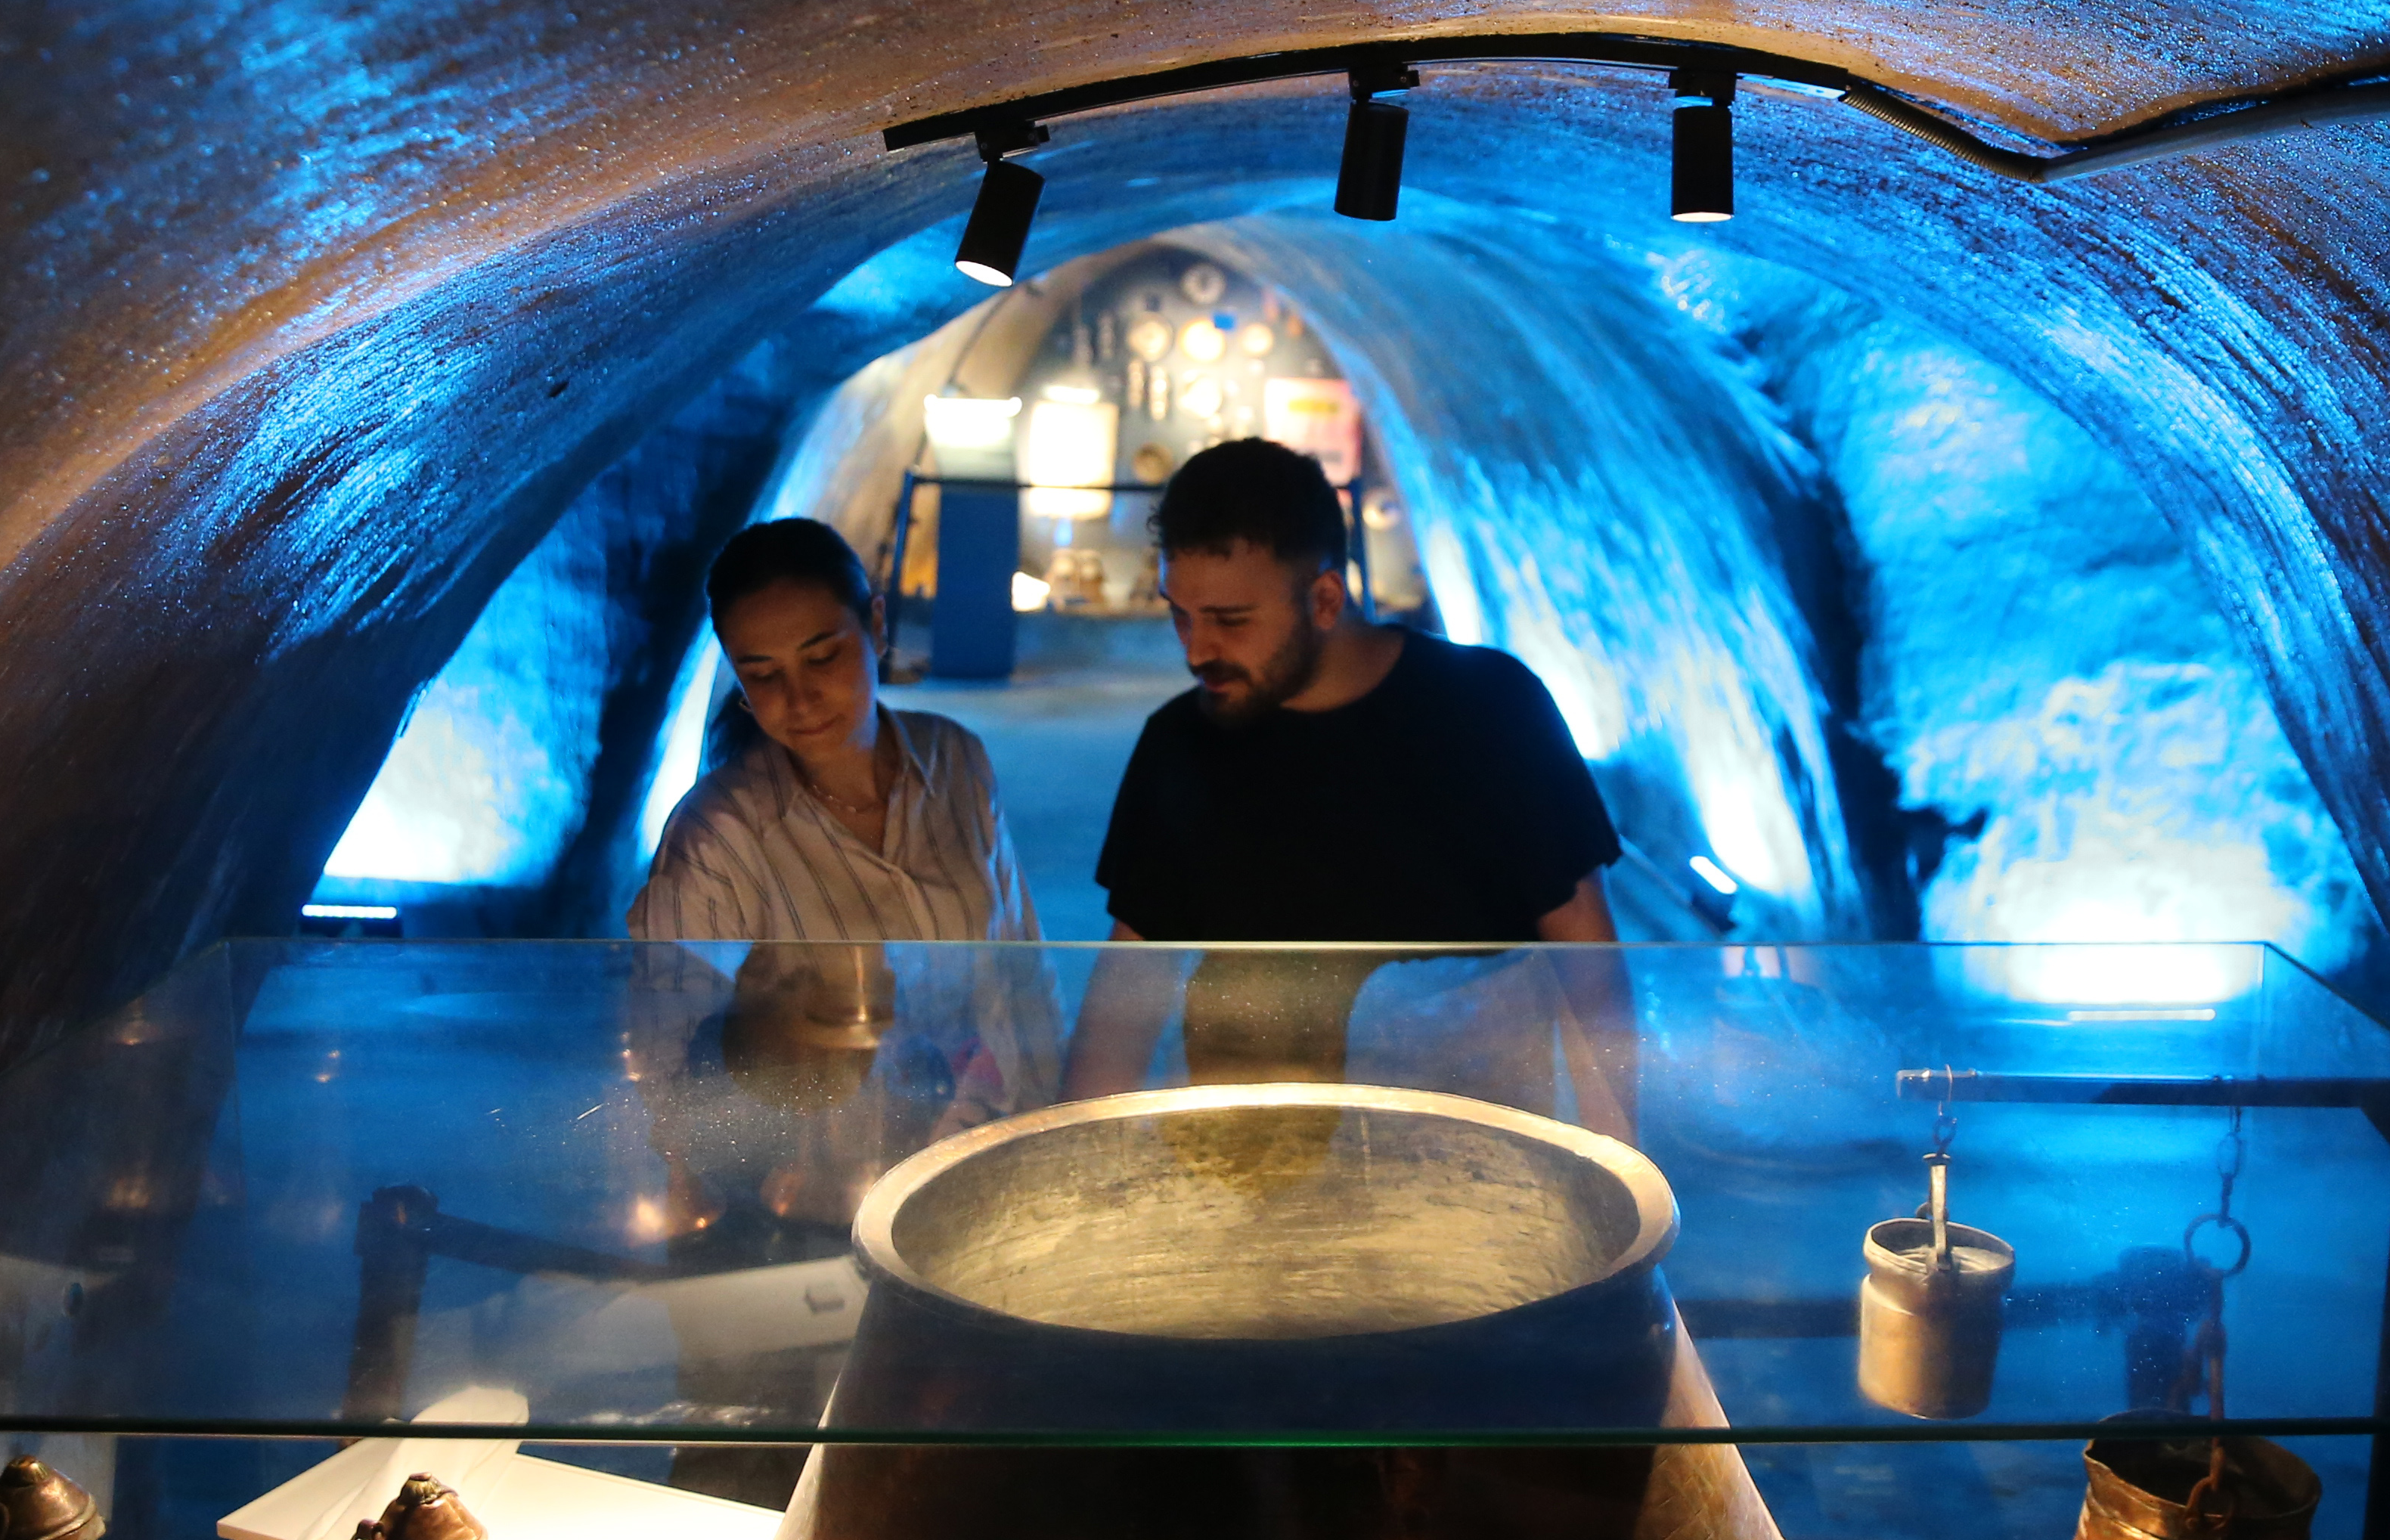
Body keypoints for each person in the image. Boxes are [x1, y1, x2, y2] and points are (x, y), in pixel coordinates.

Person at [1071, 438, 1636, 1125]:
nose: (1196, 650)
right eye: (1179, 614)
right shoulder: (1180, 742)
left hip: (1465, 1148)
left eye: (1231, 621)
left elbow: (1586, 953)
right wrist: (1079, 1158)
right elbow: (1130, 985)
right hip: (1250, 1160)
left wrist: (1618, 1156)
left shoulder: (1491, 708)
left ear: (1326, 598)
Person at [627, 518, 1054, 1121]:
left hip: (976, 1152)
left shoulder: (956, 760)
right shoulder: (717, 839)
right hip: (816, 1185)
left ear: (876, 625)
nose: (799, 700)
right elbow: (669, 1056)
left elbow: (1020, 972)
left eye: (822, 657)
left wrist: (1040, 1124)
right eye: (764, 675)